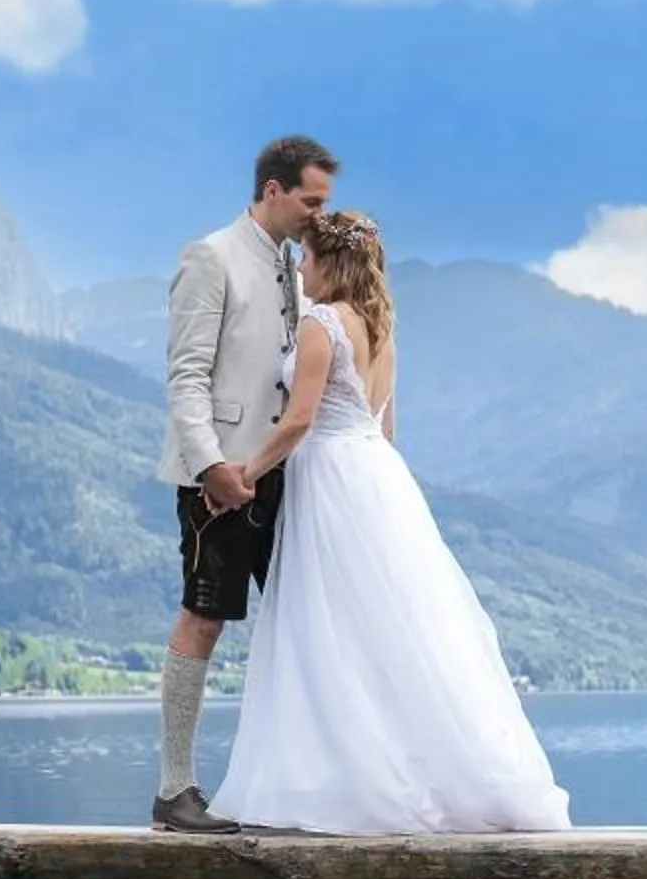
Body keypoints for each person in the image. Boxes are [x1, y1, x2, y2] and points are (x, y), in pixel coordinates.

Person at [207, 210, 571, 836]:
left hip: (330, 479)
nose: (300, 269)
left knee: (329, 628)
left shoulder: (323, 324)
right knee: (399, 628)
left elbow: (297, 421)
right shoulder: (383, 328)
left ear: (329, 263)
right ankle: (463, 777)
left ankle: (343, 780)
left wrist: (244, 474)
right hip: (379, 477)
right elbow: (387, 427)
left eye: (307, 259)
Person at [152, 137, 337, 833]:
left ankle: (312, 786)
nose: (320, 215)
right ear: (272, 192)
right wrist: (211, 467)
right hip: (220, 477)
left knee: (302, 626)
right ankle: (175, 792)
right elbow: (186, 374)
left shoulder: (294, 267)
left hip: (285, 478)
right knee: (205, 616)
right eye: (311, 201)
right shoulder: (212, 257)